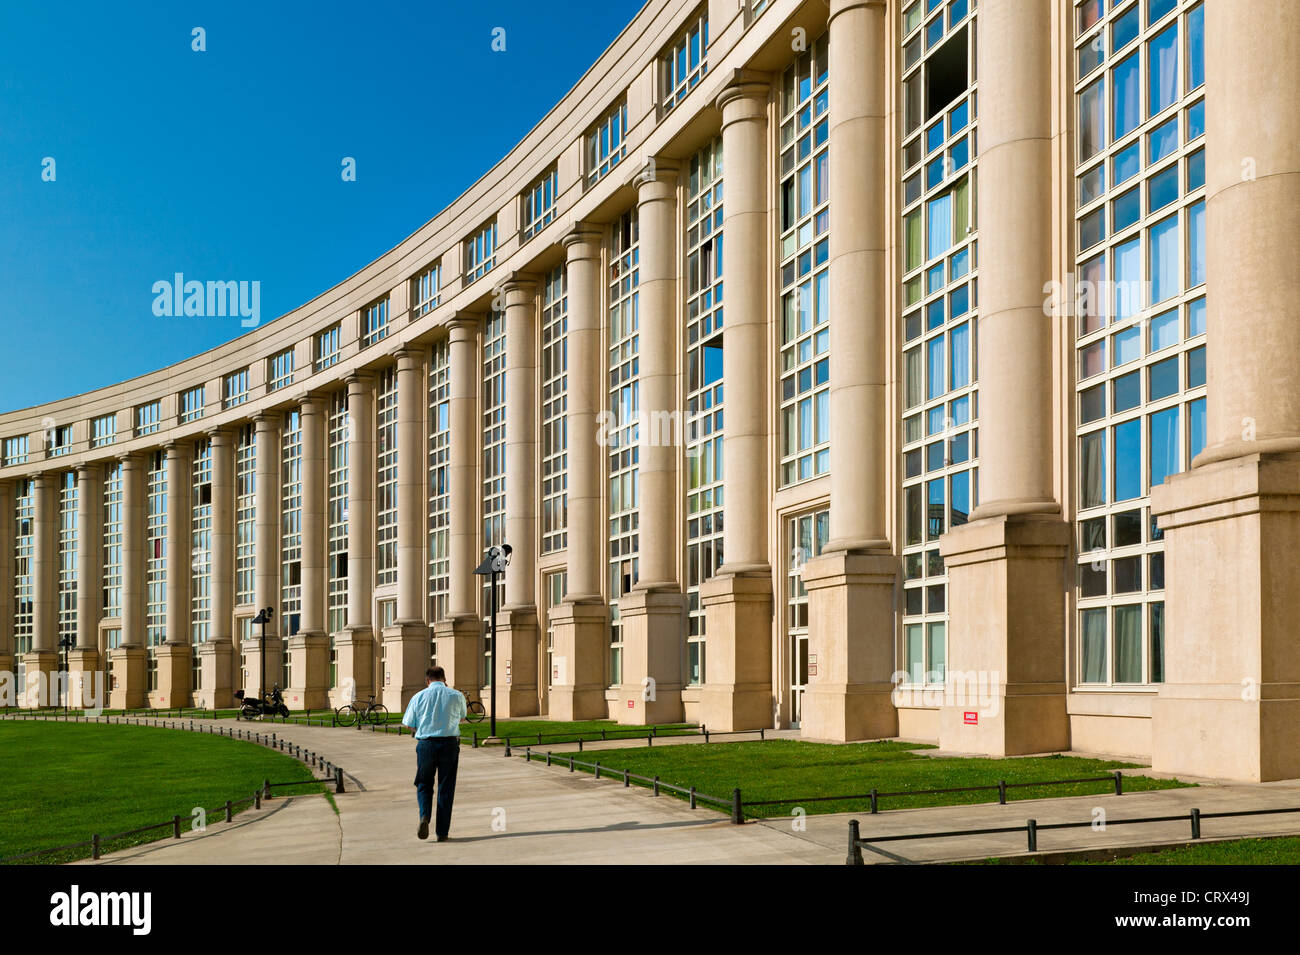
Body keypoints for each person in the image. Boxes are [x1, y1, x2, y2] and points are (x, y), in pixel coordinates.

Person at [401, 666, 467, 841]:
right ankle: (442, 832)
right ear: (444, 678)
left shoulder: (418, 697)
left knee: (424, 783)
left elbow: (408, 723)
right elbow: (462, 717)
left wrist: (420, 727)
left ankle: (424, 815)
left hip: (426, 744)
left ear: (427, 680)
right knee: (446, 787)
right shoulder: (456, 695)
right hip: (449, 744)